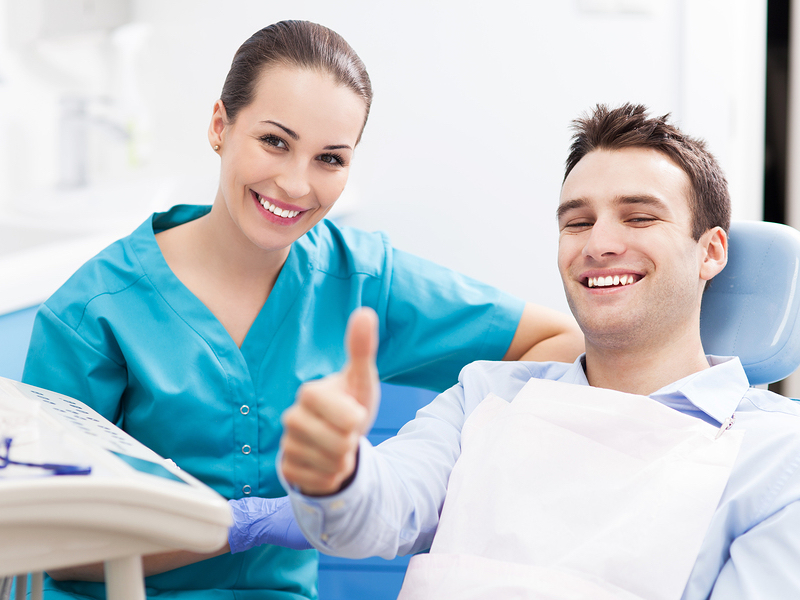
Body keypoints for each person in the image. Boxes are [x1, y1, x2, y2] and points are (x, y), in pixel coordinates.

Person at [20, 20, 583, 600]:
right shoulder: (94, 311)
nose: (294, 184)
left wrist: (411, 467)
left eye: (329, 158)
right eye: (275, 141)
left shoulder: (361, 279)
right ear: (220, 126)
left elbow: (560, 345)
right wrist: (239, 526)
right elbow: (50, 543)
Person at [279, 104, 800, 599]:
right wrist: (338, 472)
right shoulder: (485, 395)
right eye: (577, 222)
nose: (598, 244)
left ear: (711, 252)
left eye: (639, 217)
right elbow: (384, 509)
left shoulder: (776, 458)